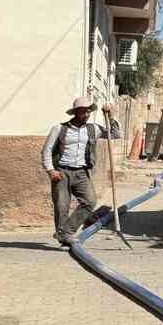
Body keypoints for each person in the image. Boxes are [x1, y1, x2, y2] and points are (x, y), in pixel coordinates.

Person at [41, 95, 115, 248]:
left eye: (88, 111)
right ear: (75, 112)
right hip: (62, 172)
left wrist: (109, 115)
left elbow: (114, 134)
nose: (86, 114)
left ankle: (65, 231)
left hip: (82, 172)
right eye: (83, 112)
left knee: (90, 201)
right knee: (62, 206)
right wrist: (50, 170)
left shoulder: (93, 129)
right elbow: (47, 150)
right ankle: (65, 238)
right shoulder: (60, 129)